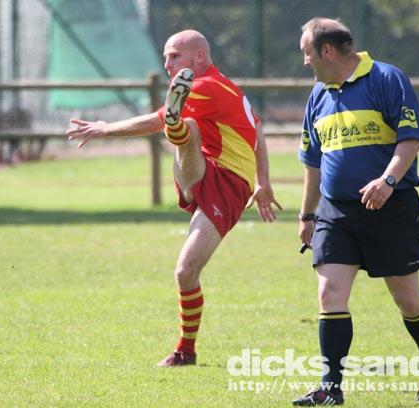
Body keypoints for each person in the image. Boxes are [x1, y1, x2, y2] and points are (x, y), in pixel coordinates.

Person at [67, 29, 281, 367]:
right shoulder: (226, 86)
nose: (167, 64)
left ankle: (185, 351)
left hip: (227, 186)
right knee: (188, 129)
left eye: (174, 56)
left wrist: (106, 129)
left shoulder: (206, 86)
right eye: (166, 57)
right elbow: (258, 129)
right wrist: (264, 181)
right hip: (204, 171)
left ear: (199, 57)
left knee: (185, 271)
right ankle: (177, 127)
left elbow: (154, 121)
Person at [292, 18, 419, 405]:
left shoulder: (387, 79)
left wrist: (387, 181)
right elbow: (313, 163)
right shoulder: (318, 96)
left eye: (307, 52)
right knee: (330, 291)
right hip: (335, 212)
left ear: (327, 51)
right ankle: (331, 387)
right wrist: (307, 215)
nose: (305, 61)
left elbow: (411, 138)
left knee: (408, 300)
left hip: (391, 207)